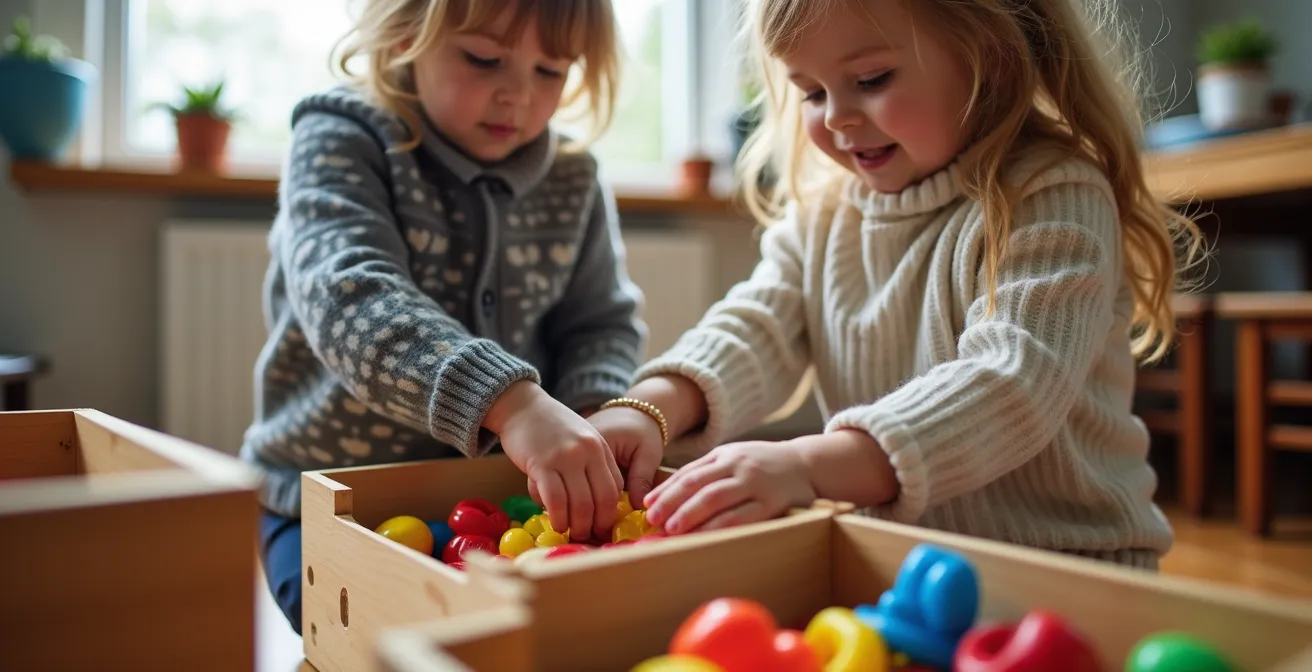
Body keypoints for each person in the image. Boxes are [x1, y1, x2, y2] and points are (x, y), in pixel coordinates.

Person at [589, 0, 1206, 570]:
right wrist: (649, 407)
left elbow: (1011, 382)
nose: (836, 117)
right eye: (809, 92)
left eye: (872, 80)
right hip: (899, 563)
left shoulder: (1053, 192)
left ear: (989, 56)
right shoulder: (826, 218)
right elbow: (755, 326)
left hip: (1071, 567)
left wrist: (806, 465)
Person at [242, 0, 642, 635]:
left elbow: (600, 325)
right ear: (405, 35)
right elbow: (351, 299)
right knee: (373, 635)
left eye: (551, 71)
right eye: (484, 59)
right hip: (319, 500)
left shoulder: (574, 176)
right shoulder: (341, 137)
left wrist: (592, 417)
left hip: (504, 502)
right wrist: (512, 404)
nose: (518, 96)